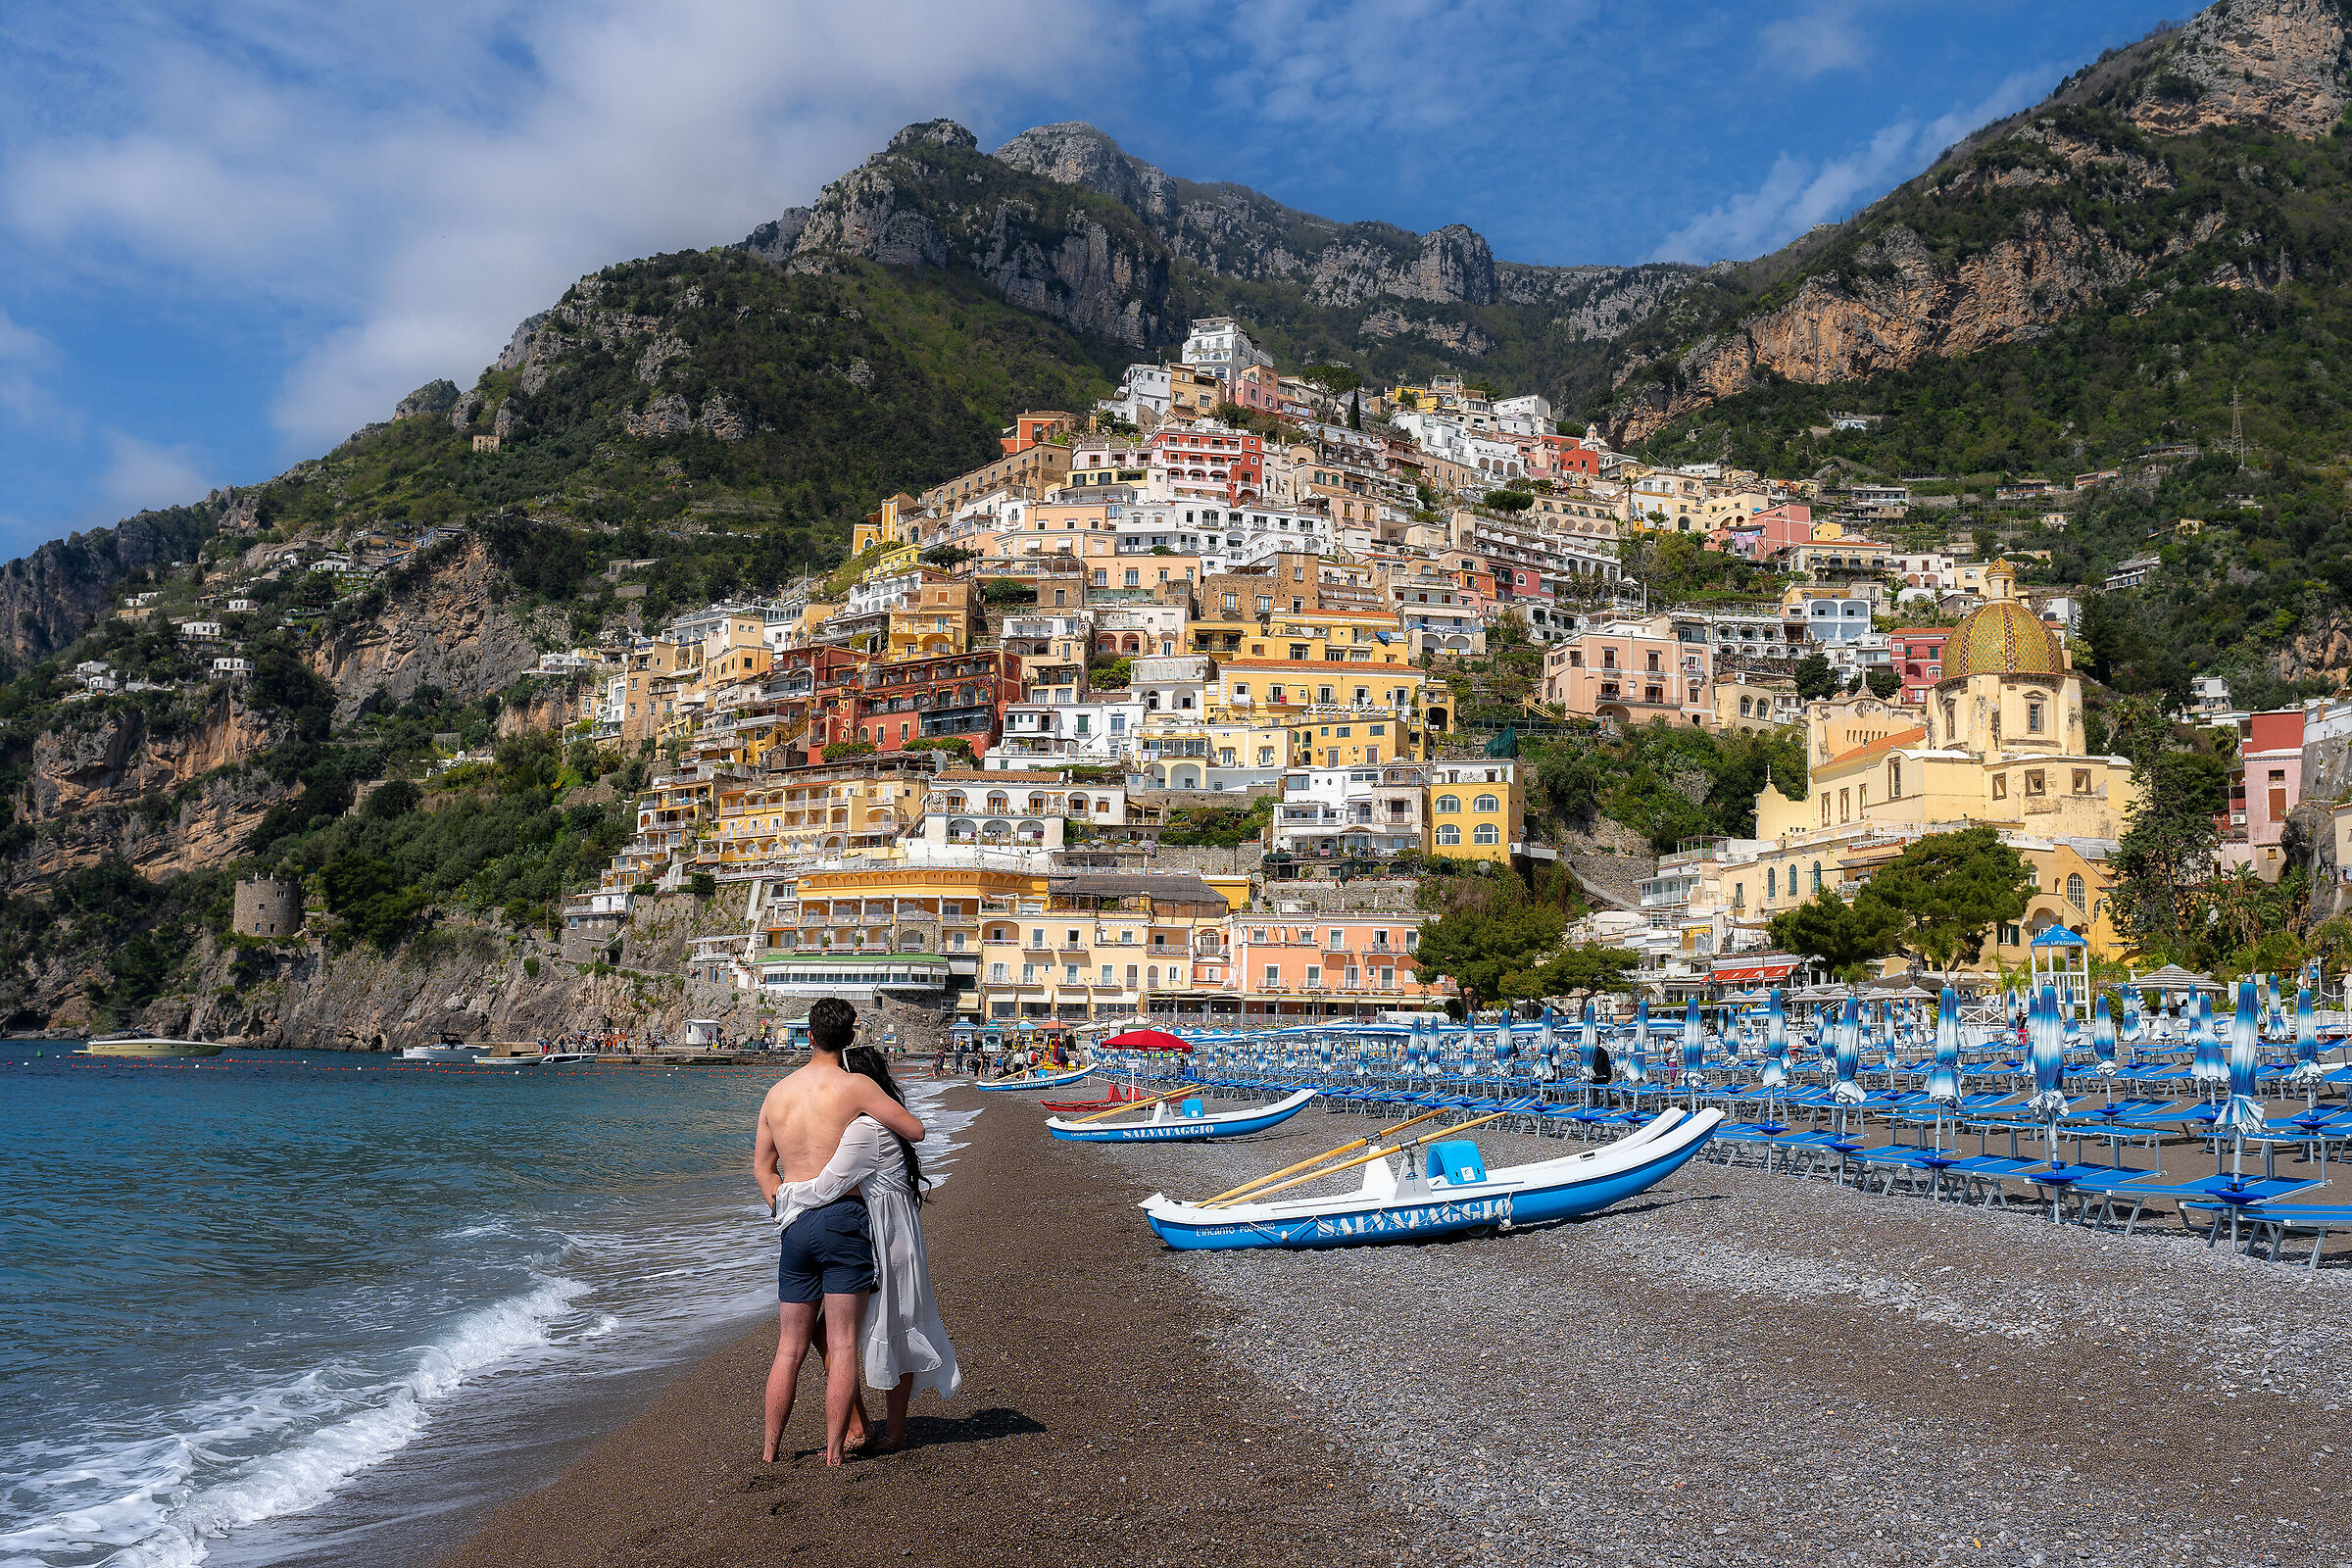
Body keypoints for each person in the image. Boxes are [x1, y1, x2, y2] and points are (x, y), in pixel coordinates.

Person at [753, 998, 924, 1465]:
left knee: (789, 1346)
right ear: (850, 1039)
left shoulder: (777, 1094)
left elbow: (763, 1168)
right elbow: (915, 1130)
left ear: (807, 1036)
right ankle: (833, 1452)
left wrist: (781, 1206)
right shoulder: (856, 1086)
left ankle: (770, 1451)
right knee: (844, 1340)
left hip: (795, 1224)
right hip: (843, 1220)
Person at [772, 1043, 958, 1453]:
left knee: (889, 1331)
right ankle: (872, 1427)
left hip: (885, 1242)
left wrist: (781, 1200)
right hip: (894, 1237)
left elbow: (825, 1187)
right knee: (892, 1329)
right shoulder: (881, 1124)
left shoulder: (863, 1131)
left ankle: (885, 1431)